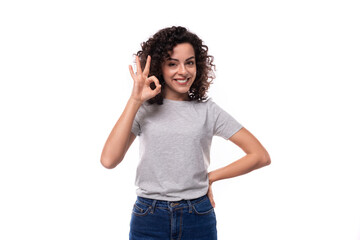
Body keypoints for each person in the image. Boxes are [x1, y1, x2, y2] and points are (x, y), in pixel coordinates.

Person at [100, 26, 271, 240]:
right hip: (149, 216)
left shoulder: (208, 111)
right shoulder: (143, 109)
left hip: (197, 215)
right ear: (159, 67)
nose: (183, 71)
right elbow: (108, 160)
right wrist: (135, 100)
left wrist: (211, 178)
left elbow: (260, 155)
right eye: (173, 64)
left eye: (189, 62)